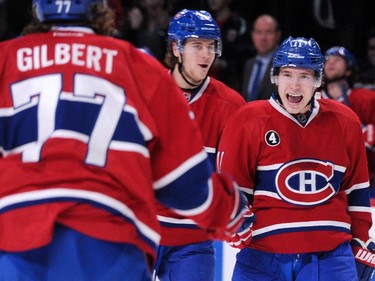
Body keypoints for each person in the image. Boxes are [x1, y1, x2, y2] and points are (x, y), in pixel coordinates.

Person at [0, 1, 249, 280]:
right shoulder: (137, 65)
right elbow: (185, 182)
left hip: (19, 239)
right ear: (101, 12)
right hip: (110, 239)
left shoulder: (5, 59)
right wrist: (231, 209)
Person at [218, 36, 374, 280]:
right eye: (288, 75)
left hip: (331, 255)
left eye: (304, 76)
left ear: (317, 81)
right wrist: (234, 218)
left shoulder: (345, 121)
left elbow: (357, 190)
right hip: (262, 255)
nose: (295, 85)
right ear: (276, 77)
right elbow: (231, 187)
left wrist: (359, 240)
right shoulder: (248, 119)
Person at [154, 9, 247, 281]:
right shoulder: (145, 90)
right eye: (197, 45)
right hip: (141, 231)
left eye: (211, 46)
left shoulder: (231, 106)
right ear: (176, 48)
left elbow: (237, 173)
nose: (206, 54)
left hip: (193, 238)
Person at [321, 46, 375, 190]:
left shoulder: (367, 99)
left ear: (349, 69)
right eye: (327, 59)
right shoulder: (313, 100)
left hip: (367, 182)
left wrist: (369, 134)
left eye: (337, 59)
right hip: (322, 180)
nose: (331, 62)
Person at [206, 0, 253, 92]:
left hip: (229, 84)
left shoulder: (238, 24)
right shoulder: (205, 23)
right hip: (205, 82)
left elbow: (247, 55)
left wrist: (224, 63)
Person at [241, 14, 281, 102]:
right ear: (252, 35)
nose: (263, 38)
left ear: (278, 35)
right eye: (259, 32)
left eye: (268, 32)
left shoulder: (283, 66)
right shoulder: (249, 64)